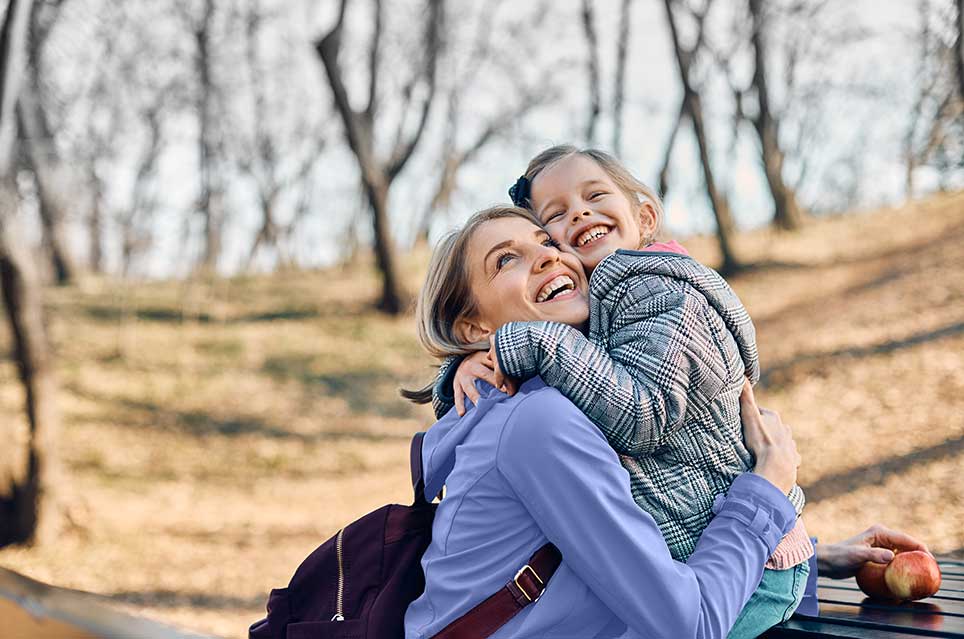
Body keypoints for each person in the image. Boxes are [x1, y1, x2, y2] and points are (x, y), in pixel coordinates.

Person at [403, 207, 926, 638]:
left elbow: (628, 559)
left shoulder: (566, 396)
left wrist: (806, 558)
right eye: (507, 260)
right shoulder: (538, 421)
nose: (546, 255)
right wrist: (768, 485)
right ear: (474, 326)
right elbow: (687, 625)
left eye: (545, 240)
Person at [435, 146, 810, 637]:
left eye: (544, 243)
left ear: (645, 217)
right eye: (555, 220)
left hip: (736, 561)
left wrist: (522, 340)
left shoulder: (660, 297)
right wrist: (466, 366)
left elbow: (642, 413)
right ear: (471, 326)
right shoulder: (544, 393)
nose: (575, 220)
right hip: (718, 557)